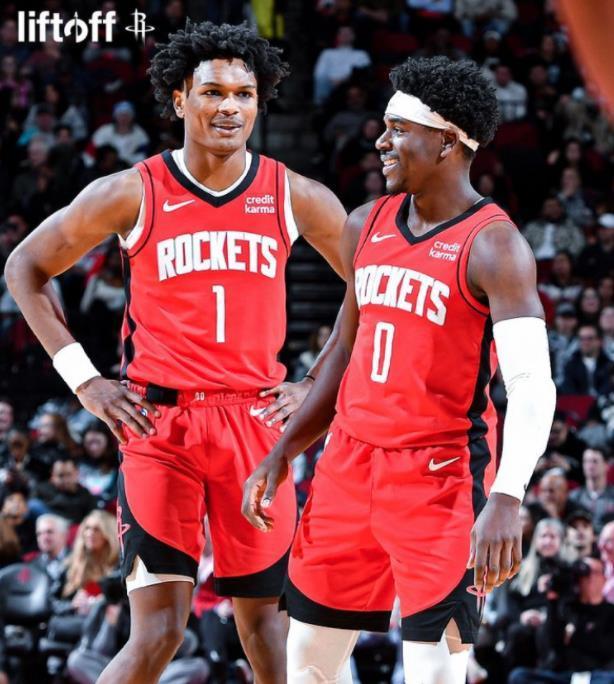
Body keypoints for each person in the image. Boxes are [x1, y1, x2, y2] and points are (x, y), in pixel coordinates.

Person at [5, 21, 346, 684]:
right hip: (160, 427)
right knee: (158, 632)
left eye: (244, 95)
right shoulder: (132, 190)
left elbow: (376, 284)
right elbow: (25, 266)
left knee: (270, 634)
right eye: (213, 92)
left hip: (255, 426)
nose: (230, 107)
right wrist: (85, 382)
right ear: (179, 98)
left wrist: (317, 383)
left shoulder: (294, 194)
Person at [243, 55, 556, 683]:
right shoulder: (365, 223)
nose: (380, 141)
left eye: (398, 129)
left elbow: (532, 386)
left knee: (434, 673)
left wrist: (507, 495)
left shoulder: (495, 245)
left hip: (438, 476)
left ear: (446, 143)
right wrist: (285, 450)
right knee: (307, 667)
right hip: (348, 464)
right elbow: (342, 352)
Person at [569, 448, 614, 531]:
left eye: (595, 461)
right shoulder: (574, 497)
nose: (590, 466)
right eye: (586, 461)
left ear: (606, 465)